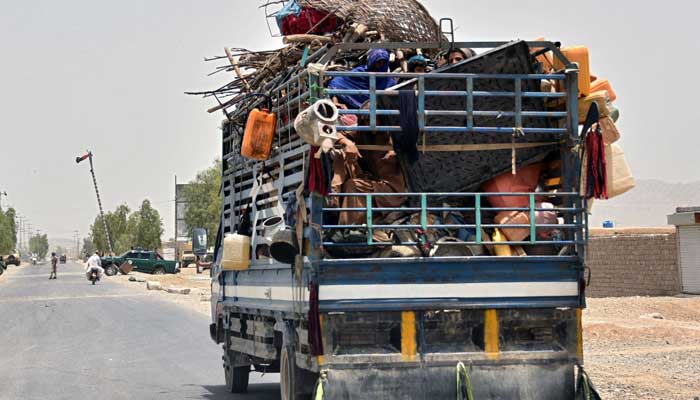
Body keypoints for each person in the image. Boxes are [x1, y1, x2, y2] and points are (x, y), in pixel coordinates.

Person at [328, 48, 397, 110]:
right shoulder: (360, 72)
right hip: (350, 107)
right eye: (378, 62)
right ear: (372, 61)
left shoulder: (387, 81)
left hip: (375, 114)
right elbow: (337, 83)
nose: (381, 65)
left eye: (383, 62)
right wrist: (335, 102)